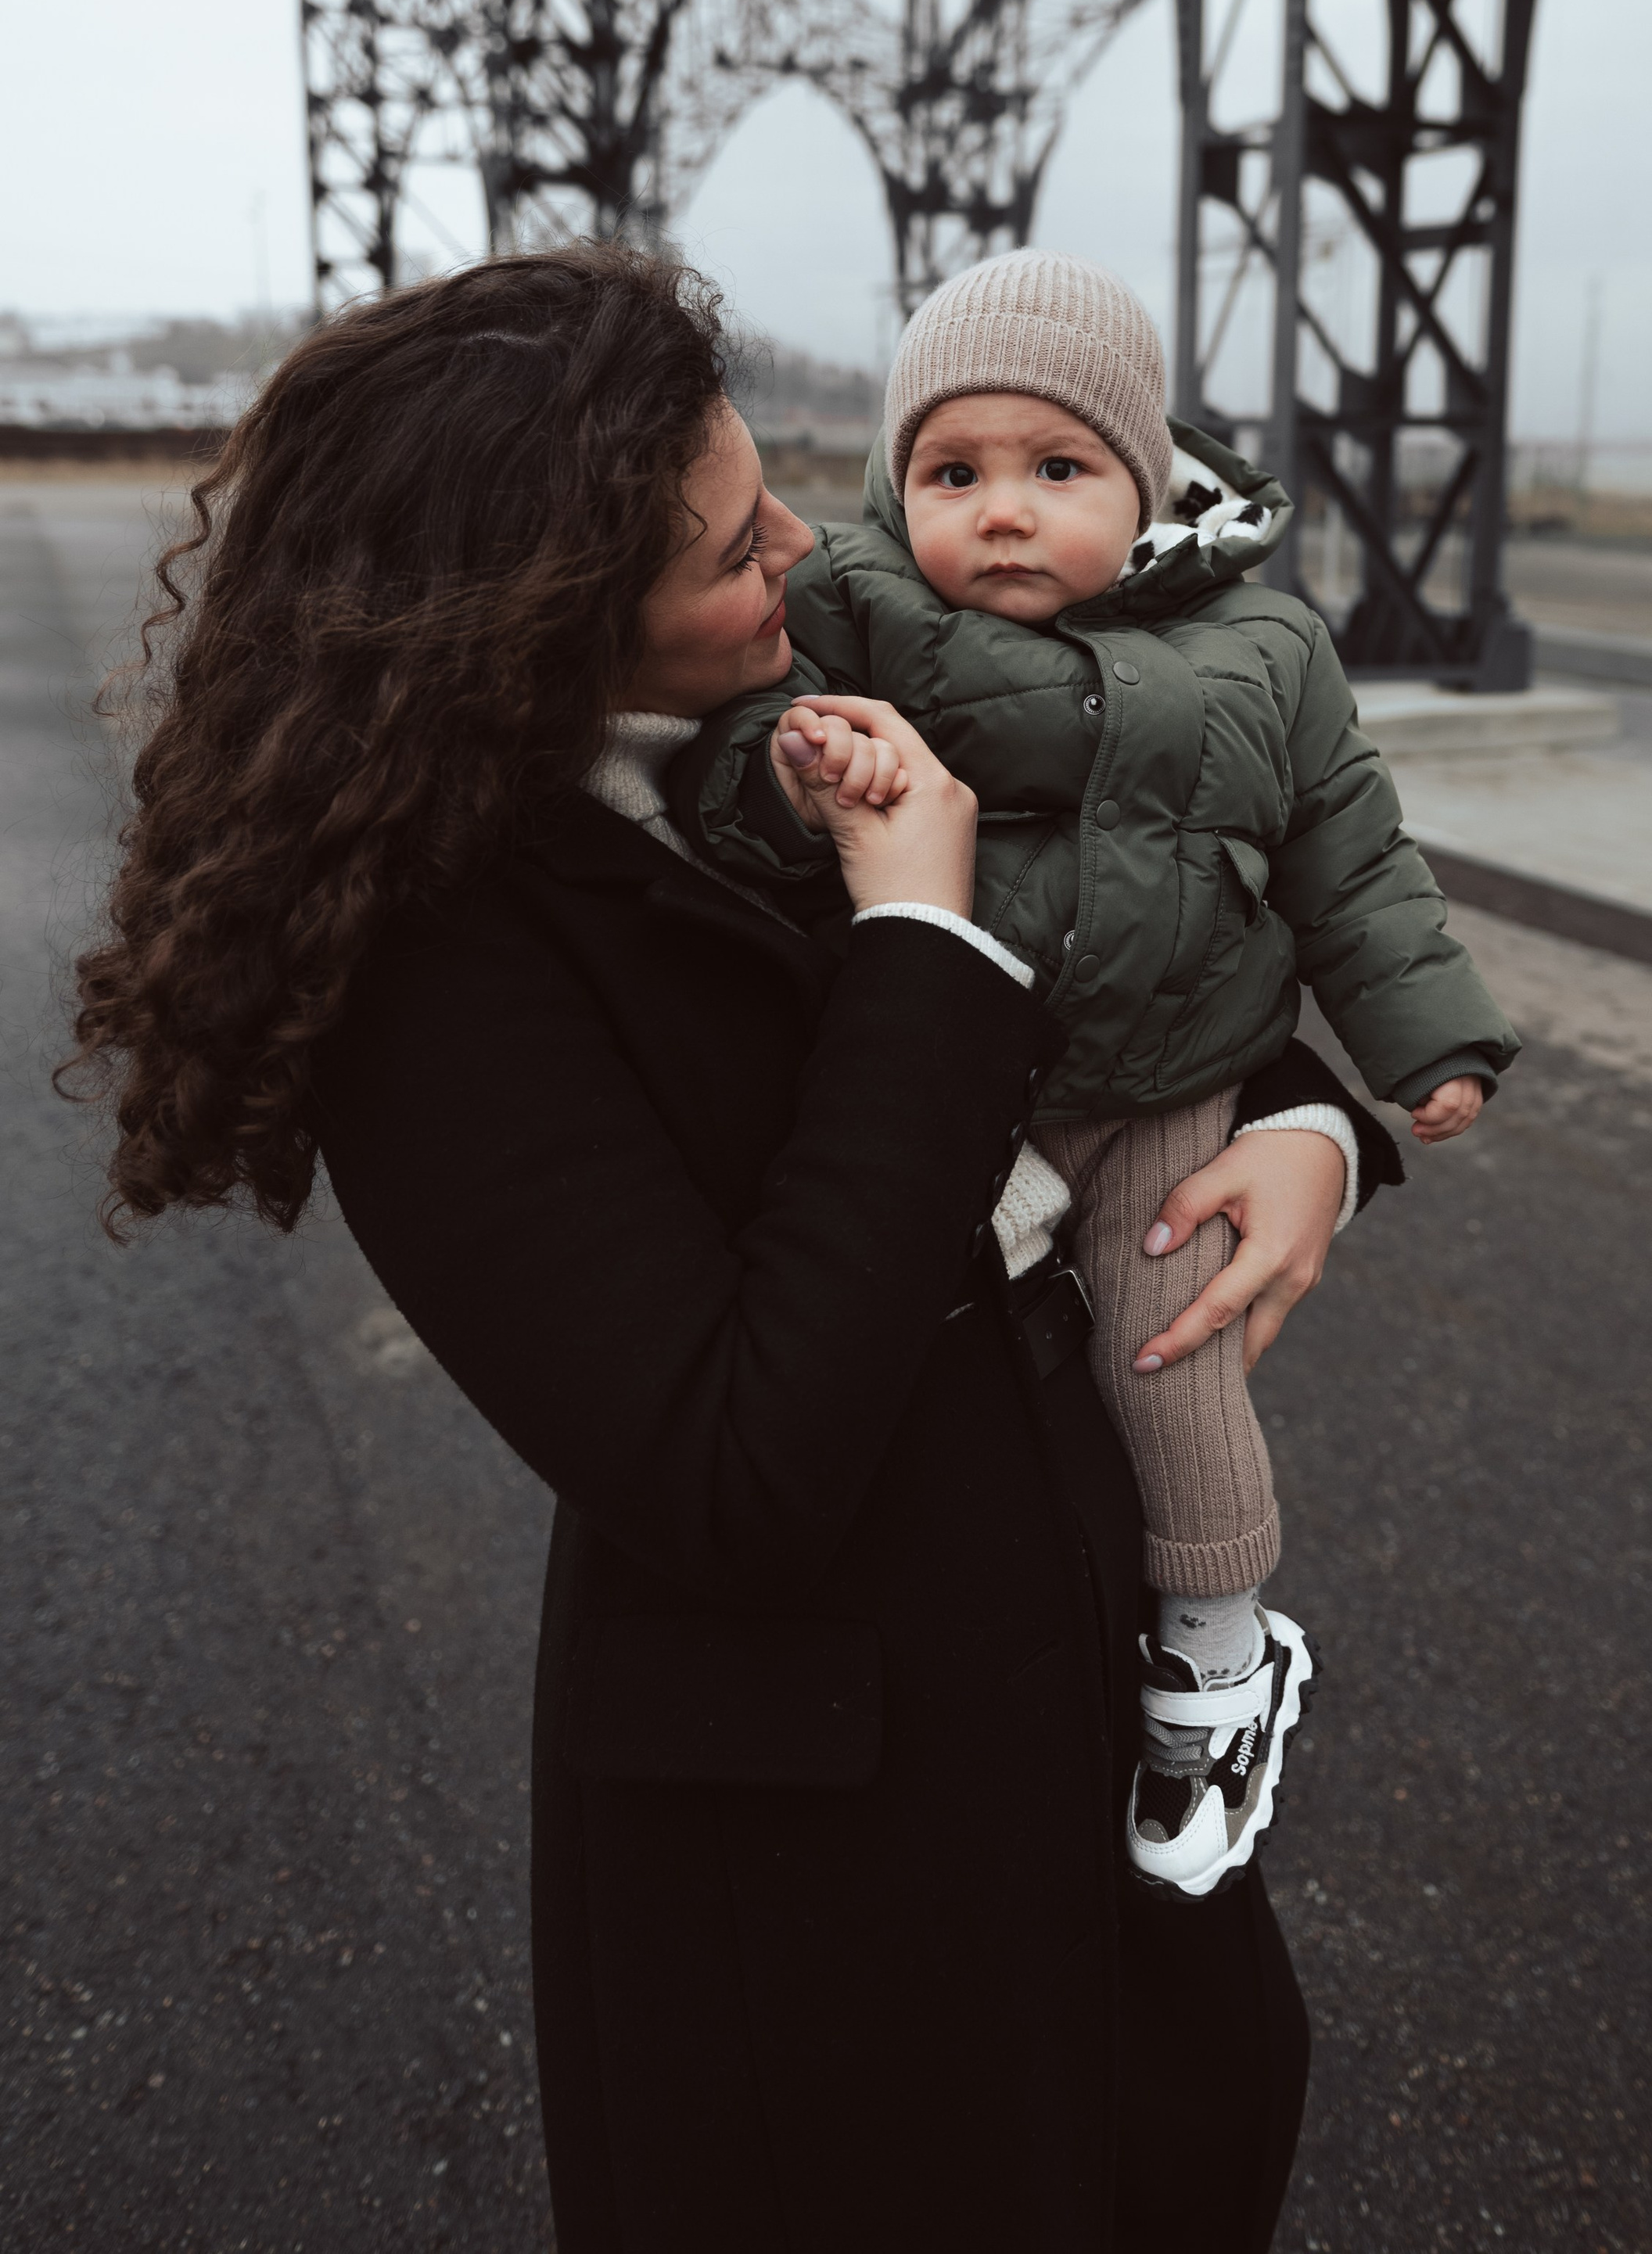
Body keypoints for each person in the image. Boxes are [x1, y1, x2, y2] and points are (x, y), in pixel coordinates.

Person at [65, 242, 1383, 2252]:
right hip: (822, 1853)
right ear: (539, 627)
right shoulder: (438, 974)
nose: (798, 540)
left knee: (1180, 2133)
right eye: (723, 545)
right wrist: (919, 937)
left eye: (771, 485)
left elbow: (1157, 935)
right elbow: (733, 1473)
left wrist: (1314, 1126)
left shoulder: (802, 709)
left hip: (1065, 1653)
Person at [668, 247, 1518, 1897]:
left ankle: (1215, 1655)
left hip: (1170, 1084)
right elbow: (721, 771)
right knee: (926, 1343)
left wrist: (1424, 1045)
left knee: (1165, 1350)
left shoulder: (1265, 655)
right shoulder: (850, 608)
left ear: (1146, 481)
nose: (999, 511)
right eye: (952, 470)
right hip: (951, 1076)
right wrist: (785, 786)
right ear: (891, 481)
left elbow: (1352, 861)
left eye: (1056, 471)